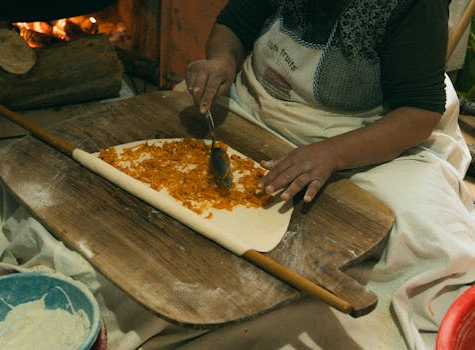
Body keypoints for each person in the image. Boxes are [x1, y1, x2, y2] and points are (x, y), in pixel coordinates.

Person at [183, 0, 475, 348]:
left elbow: (417, 114)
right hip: (258, 105)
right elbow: (234, 23)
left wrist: (332, 154)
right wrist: (222, 60)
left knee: (421, 232)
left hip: (365, 132)